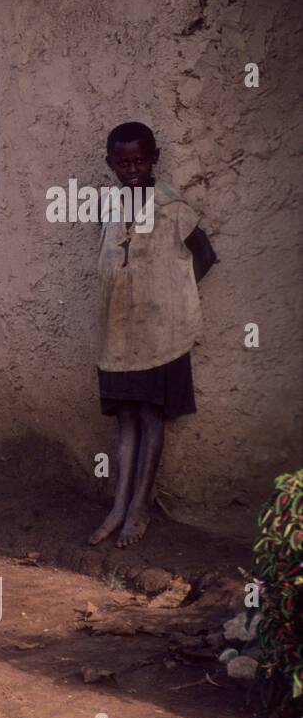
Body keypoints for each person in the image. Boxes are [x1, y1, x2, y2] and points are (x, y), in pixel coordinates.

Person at [88, 121, 217, 548]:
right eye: (123, 162)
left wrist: (173, 301)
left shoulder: (173, 208)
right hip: (119, 334)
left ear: (154, 158)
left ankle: (139, 508)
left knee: (150, 417)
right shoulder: (110, 207)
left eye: (140, 160)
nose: (133, 169)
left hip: (163, 335)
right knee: (125, 419)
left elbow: (205, 255)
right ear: (111, 164)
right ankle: (118, 505)